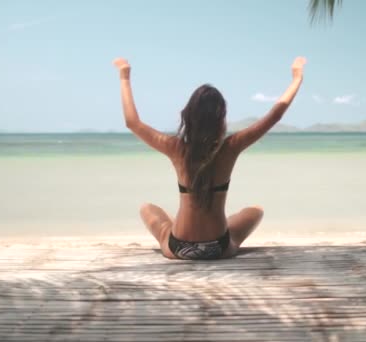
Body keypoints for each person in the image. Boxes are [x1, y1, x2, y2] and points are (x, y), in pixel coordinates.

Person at [113, 56, 306, 260]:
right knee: (256, 211)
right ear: (221, 118)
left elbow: (132, 123)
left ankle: (175, 223)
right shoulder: (231, 146)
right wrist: (296, 78)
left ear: (188, 116)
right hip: (219, 248)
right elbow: (275, 115)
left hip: (179, 247)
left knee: (147, 208)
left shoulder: (176, 148)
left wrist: (124, 77)